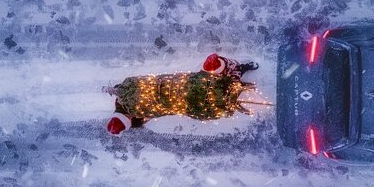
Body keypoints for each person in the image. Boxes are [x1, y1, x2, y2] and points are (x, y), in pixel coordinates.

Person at [106, 54, 259, 134]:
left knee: (216, 107)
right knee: (211, 69)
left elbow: (147, 115)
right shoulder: (129, 82)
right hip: (189, 82)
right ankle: (236, 70)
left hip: (189, 103)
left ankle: (235, 86)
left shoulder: (137, 112)